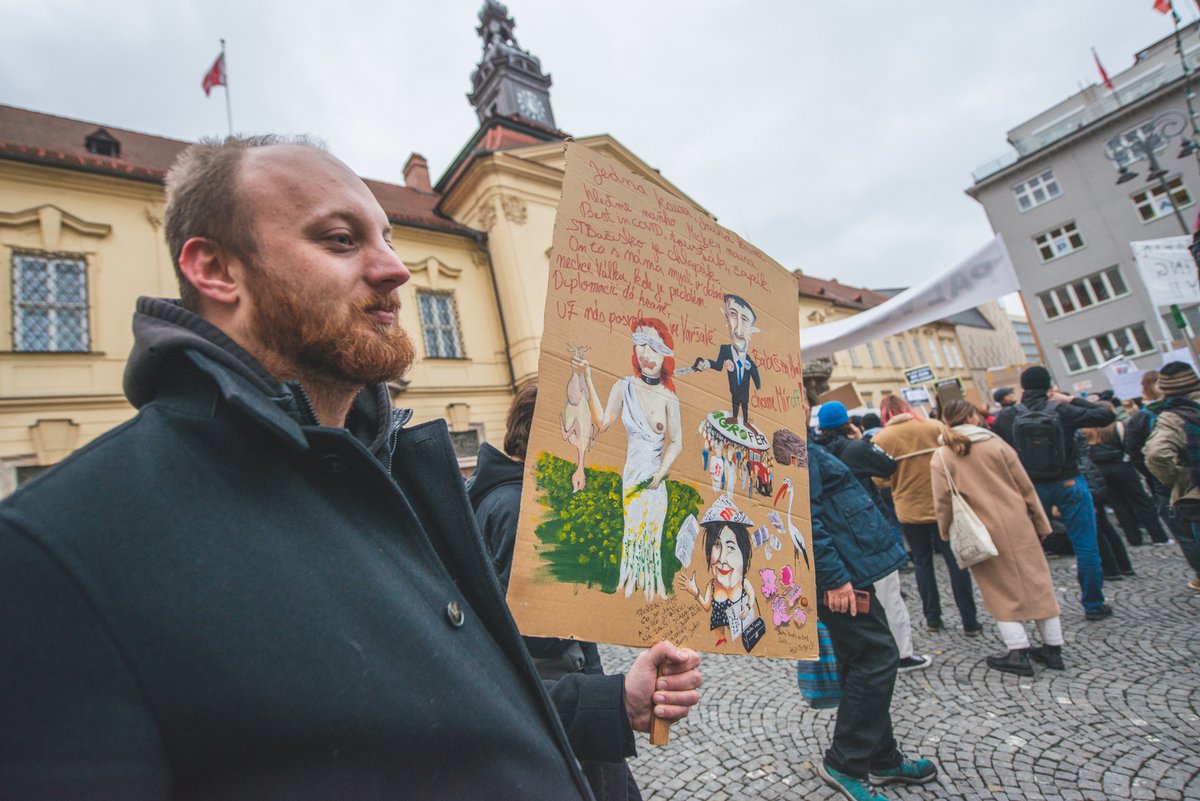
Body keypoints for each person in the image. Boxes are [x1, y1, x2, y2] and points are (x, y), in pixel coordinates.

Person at [0, 137, 703, 798]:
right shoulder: (61, 546)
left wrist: (615, 700)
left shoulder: (402, 465)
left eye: (388, 238)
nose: (395, 268)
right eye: (341, 240)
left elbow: (462, 690)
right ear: (215, 269)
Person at [469, 382, 643, 801]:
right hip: (558, 695)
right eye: (578, 432)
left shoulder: (515, 496)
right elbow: (536, 631)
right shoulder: (517, 507)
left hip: (566, 690)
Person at [774, 421, 939, 801]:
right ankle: (844, 763)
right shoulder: (791, 444)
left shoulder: (799, 441)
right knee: (877, 655)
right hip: (839, 575)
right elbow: (804, 518)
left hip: (850, 570)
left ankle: (882, 758)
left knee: (862, 658)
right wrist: (834, 579)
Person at [930, 400, 1066, 676]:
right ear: (971, 417)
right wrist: (1041, 522)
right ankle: (1053, 647)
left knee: (1000, 590)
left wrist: (945, 532)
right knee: (1038, 583)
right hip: (1018, 523)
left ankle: (1018, 651)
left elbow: (942, 501)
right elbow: (1025, 486)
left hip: (981, 529)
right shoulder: (997, 444)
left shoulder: (943, 455)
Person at [814, 401, 930, 673]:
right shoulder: (856, 447)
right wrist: (861, 439)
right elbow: (887, 465)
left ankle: (875, 654)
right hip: (866, 533)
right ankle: (902, 653)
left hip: (842, 543)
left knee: (868, 606)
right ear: (847, 423)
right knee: (889, 596)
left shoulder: (816, 450)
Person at [993, 365, 1115, 620]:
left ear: (1023, 388)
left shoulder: (1008, 415)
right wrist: (1070, 398)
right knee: (1085, 543)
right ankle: (1093, 604)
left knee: (1028, 547)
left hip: (1030, 486)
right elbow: (1104, 415)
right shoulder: (1061, 409)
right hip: (1068, 480)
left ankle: (1036, 607)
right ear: (1048, 385)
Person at [576, 318, 683, 601]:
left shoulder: (669, 398)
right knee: (632, 536)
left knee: (651, 539)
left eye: (654, 348)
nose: (646, 355)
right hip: (632, 477)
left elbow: (677, 442)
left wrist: (661, 473)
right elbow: (603, 421)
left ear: (665, 355)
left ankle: (651, 591)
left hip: (655, 482)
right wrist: (587, 378)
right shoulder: (623, 387)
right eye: (641, 346)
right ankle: (630, 592)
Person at [872, 395, 981, 636]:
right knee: (956, 562)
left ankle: (932, 618)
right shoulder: (935, 427)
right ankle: (970, 621)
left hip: (909, 509)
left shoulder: (881, 439)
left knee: (922, 563)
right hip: (942, 505)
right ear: (905, 407)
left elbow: (879, 480)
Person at [1128, 368, 1200, 589]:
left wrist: (1175, 480)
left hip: (1193, 485)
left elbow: (1156, 455)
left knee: (1188, 535)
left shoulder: (1171, 416)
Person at [675, 496, 766, 652]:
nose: (722, 559)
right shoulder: (711, 586)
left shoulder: (744, 582)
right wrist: (695, 592)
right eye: (716, 545)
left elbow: (752, 596)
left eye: (731, 547)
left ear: (743, 553)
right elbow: (706, 607)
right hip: (718, 642)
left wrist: (749, 607)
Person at [1081, 402, 1169, 547]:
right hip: (1121, 465)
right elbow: (1128, 445)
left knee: (1119, 505)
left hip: (1100, 469)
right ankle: (1158, 536)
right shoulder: (1117, 426)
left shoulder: (1086, 430)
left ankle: (1133, 538)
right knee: (1141, 500)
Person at [692, 293, 761, 425]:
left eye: (745, 320)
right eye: (733, 314)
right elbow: (718, 365)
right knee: (735, 403)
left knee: (744, 405)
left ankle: (745, 420)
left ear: (752, 330)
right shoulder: (725, 350)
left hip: (744, 392)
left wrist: (758, 386)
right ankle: (735, 418)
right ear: (726, 319)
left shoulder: (749, 361)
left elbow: (754, 373)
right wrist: (705, 363)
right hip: (734, 390)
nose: (738, 331)